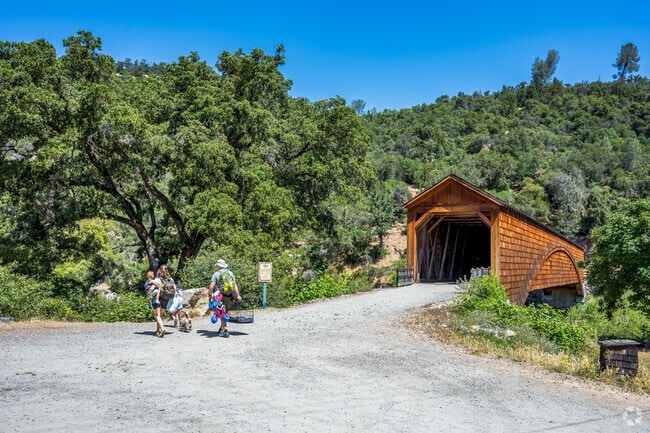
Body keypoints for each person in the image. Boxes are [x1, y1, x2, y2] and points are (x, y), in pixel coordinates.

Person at [208, 259, 242, 337]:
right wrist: (238, 295)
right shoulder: (230, 273)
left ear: (218, 266)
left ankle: (225, 329)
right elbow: (234, 285)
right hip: (229, 296)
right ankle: (221, 328)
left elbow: (211, 286)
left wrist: (210, 294)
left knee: (221, 312)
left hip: (220, 296)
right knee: (224, 312)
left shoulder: (216, 274)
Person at [145, 271, 165, 337]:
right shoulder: (151, 281)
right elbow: (157, 285)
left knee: (157, 316)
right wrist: (159, 286)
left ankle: (162, 328)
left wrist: (148, 294)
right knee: (159, 315)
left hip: (154, 299)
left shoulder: (149, 281)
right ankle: (158, 331)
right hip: (158, 299)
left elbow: (152, 287)